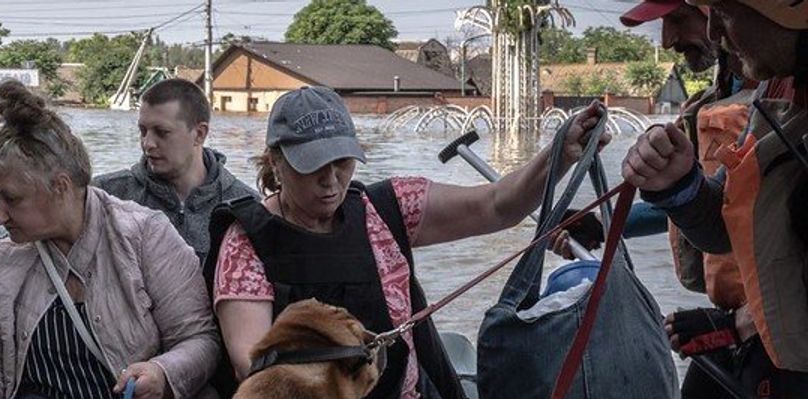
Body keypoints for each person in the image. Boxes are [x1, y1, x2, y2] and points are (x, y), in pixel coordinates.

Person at [204, 86, 609, 399]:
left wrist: (560, 154)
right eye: (311, 167)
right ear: (275, 161)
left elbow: (498, 205)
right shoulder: (246, 242)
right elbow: (254, 369)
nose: (330, 182)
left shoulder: (387, 206)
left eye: (341, 163)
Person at [0, 81, 219, 399]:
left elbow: (200, 340)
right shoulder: (1, 264)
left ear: (60, 187)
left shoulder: (146, 236)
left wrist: (162, 372)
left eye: (12, 199)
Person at [622, 0, 808, 396]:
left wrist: (739, 325)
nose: (713, 35)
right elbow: (728, 219)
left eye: (722, 13)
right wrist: (678, 185)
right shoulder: (776, 92)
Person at [94, 78, 258, 262]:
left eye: (162, 132)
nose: (147, 143)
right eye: (143, 131)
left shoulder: (248, 208)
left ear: (199, 134)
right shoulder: (105, 195)